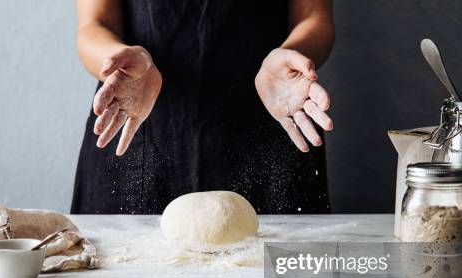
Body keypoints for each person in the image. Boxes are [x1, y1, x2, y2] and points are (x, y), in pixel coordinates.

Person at [71, 0, 335, 215]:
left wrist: (293, 53)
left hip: (273, 117)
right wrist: (117, 60)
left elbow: (314, 16)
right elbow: (95, 24)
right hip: (139, 126)